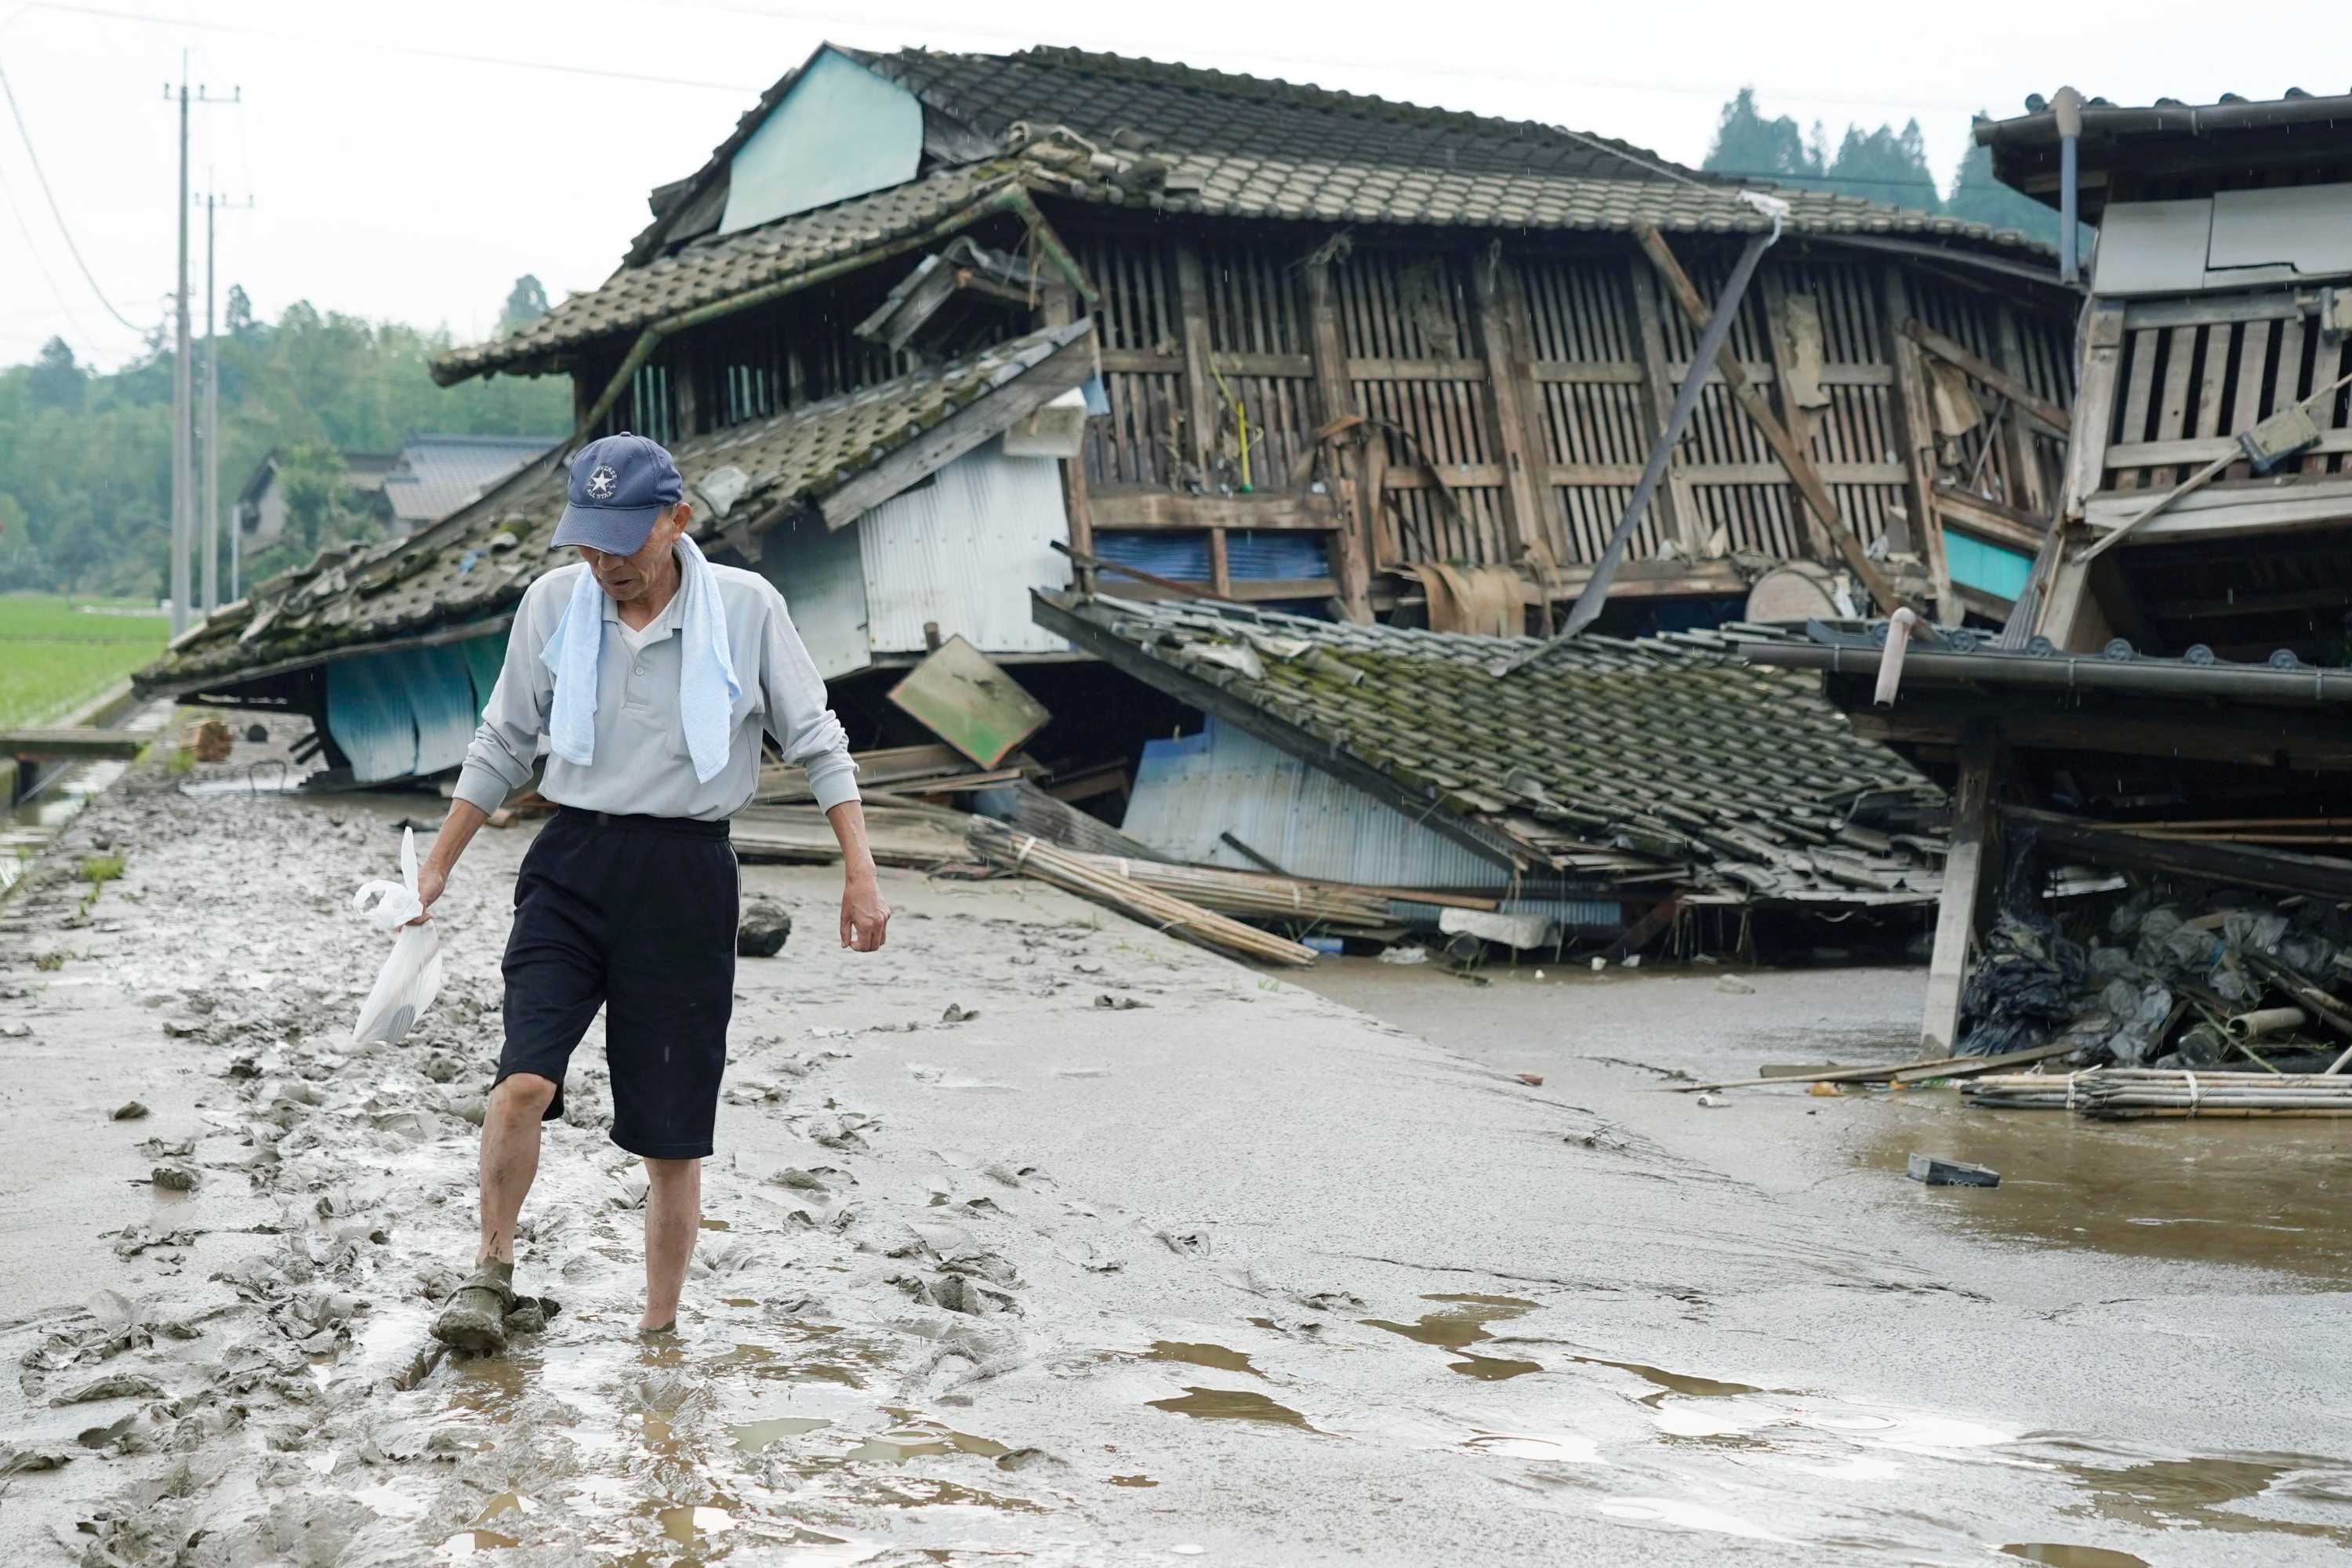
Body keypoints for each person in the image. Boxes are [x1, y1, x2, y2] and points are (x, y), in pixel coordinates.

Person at [416, 431, 888, 1353]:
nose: (605, 565)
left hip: (686, 876)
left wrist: (860, 873)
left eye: (623, 543)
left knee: (672, 1134)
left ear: (677, 519)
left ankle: (658, 1329)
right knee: (521, 1080)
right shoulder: (555, 603)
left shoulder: (747, 610)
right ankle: (490, 1270)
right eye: (588, 543)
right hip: (571, 865)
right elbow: (504, 739)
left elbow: (818, 740)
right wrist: (438, 863)